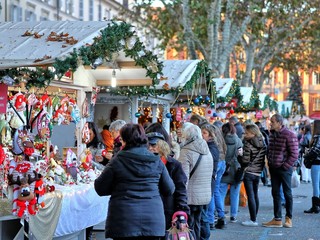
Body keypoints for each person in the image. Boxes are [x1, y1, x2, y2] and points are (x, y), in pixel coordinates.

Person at [94, 123, 175, 240]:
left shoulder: (117, 160)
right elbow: (169, 189)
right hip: (152, 219)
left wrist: (117, 188)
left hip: (124, 220)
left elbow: (100, 188)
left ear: (125, 140)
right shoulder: (156, 161)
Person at [146, 132, 190, 233]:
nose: (151, 148)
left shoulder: (174, 165)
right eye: (148, 145)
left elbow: (181, 190)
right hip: (148, 211)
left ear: (162, 146)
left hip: (167, 211)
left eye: (154, 145)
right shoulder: (142, 164)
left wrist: (181, 212)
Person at [262, 114, 298, 228]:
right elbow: (269, 149)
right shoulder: (272, 134)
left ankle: (288, 218)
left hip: (284, 169)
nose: (270, 123)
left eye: (272, 121)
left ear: (279, 123)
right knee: (275, 193)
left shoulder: (289, 134)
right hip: (274, 168)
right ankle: (277, 219)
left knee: (287, 193)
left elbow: (294, 153)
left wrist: (285, 166)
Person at [178, 122, 213, 240]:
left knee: (190, 226)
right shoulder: (207, 150)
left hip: (191, 196)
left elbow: (183, 178)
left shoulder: (186, 151)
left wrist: (180, 198)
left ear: (186, 137)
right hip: (204, 195)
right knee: (199, 223)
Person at [238, 124, 267, 226]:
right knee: (255, 194)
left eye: (247, 133)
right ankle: (255, 217)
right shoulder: (262, 142)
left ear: (253, 133)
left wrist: (240, 155)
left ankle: (253, 219)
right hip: (258, 171)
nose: (245, 135)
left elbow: (245, 161)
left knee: (250, 195)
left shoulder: (247, 143)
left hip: (249, 172)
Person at [220, 122, 243, 224]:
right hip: (236, 169)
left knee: (221, 193)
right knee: (235, 194)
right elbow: (241, 155)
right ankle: (233, 215)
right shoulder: (238, 141)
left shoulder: (221, 141)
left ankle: (220, 214)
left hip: (224, 169)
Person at [200, 123, 220, 232]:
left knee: (204, 213)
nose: (202, 135)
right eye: (201, 132)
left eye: (204, 133)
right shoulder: (207, 146)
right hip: (207, 181)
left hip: (207, 181)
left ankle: (206, 232)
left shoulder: (211, 148)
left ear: (211, 135)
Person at [303, 120, 320, 213]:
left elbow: (315, 151)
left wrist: (306, 154)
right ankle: (317, 205)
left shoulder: (318, 137)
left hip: (317, 163)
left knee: (316, 185)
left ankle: (315, 206)